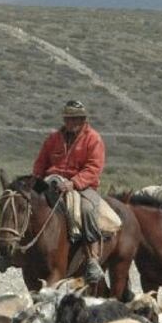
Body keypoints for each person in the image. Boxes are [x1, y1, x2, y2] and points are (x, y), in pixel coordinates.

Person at [31, 99, 106, 284]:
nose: (71, 123)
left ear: (82, 120)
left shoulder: (93, 139)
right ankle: (12, 252)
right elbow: (41, 163)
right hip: (52, 182)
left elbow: (93, 168)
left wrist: (74, 183)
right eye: (68, 119)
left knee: (88, 209)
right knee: (24, 201)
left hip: (82, 187)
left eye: (75, 119)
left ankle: (92, 259)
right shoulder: (53, 138)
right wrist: (36, 180)